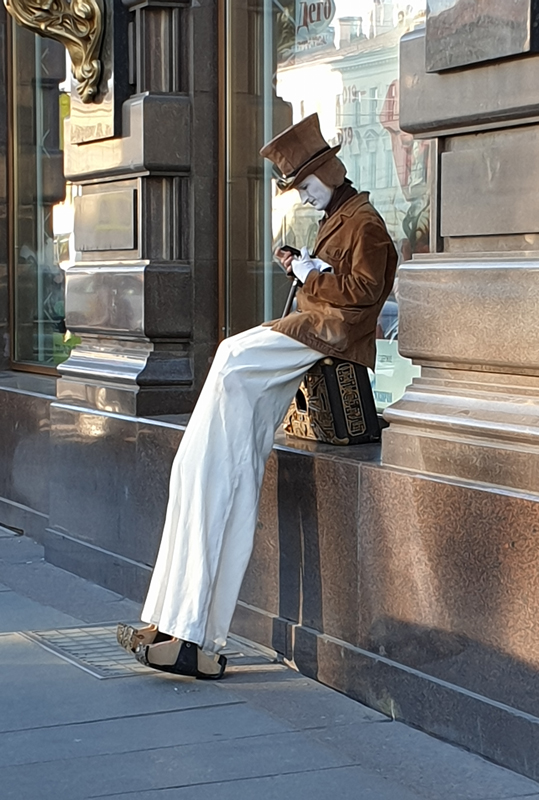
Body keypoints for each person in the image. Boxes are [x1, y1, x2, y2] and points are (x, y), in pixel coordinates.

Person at [117, 113, 397, 679]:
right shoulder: (343, 216)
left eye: (307, 185)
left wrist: (307, 270)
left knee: (230, 362)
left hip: (329, 332)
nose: (305, 196)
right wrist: (310, 267)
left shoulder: (363, 222)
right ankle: (181, 629)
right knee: (209, 464)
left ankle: (189, 632)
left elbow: (365, 293)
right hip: (318, 327)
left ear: (329, 171)